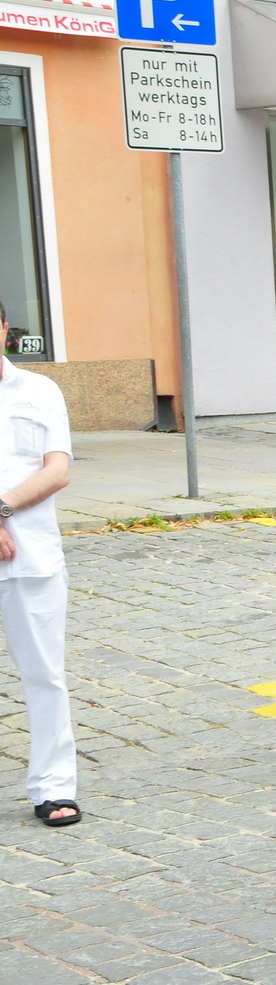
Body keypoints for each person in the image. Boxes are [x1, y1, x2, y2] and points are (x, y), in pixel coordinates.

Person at [0, 301, 77, 828]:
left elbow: (58, 471)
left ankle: (54, 787)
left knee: (45, 676)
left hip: (31, 557)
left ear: (5, 330)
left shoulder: (39, 391)